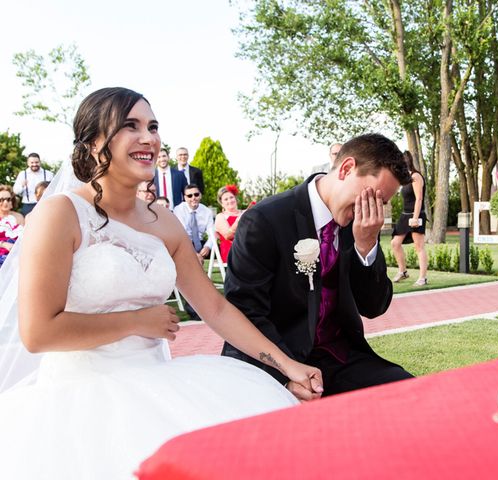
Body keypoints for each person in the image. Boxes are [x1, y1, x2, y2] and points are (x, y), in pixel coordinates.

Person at [0, 87, 322, 480]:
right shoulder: (60, 214)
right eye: (130, 126)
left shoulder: (161, 220)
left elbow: (216, 308)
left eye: (153, 126)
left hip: (161, 385)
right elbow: (37, 332)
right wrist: (137, 321)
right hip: (81, 399)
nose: (149, 138)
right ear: (95, 142)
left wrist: (288, 364)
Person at [222, 133, 415, 400]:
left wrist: (366, 245)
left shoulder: (358, 224)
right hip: (273, 361)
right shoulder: (265, 220)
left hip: (337, 356)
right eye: (373, 197)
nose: (374, 210)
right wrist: (284, 375)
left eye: (380, 204)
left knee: (410, 393)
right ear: (347, 169)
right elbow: (243, 312)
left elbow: (373, 307)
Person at [390, 151, 429, 286]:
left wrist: (415, 218)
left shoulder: (416, 176)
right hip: (405, 215)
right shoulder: (405, 178)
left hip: (416, 215)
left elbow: (419, 199)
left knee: (419, 246)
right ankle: (403, 272)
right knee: (395, 243)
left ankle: (423, 278)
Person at [173, 184, 213, 263]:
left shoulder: (207, 212)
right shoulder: (179, 210)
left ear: (200, 195)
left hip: (200, 243)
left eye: (196, 194)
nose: (193, 198)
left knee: (220, 249)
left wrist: (208, 246)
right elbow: (182, 234)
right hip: (184, 243)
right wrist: (193, 253)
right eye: (189, 196)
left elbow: (212, 233)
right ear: (185, 198)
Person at [214, 184, 243, 263]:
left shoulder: (244, 212)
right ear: (222, 203)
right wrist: (239, 219)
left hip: (247, 246)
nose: (229, 201)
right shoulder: (220, 217)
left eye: (231, 197)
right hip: (231, 251)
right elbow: (227, 235)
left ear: (236, 199)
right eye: (226, 199)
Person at [0, 185, 24, 268]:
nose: (5, 202)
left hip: (18, 252)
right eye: (1, 200)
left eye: (8, 199)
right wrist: (4, 244)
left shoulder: (19, 217)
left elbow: (25, 237)